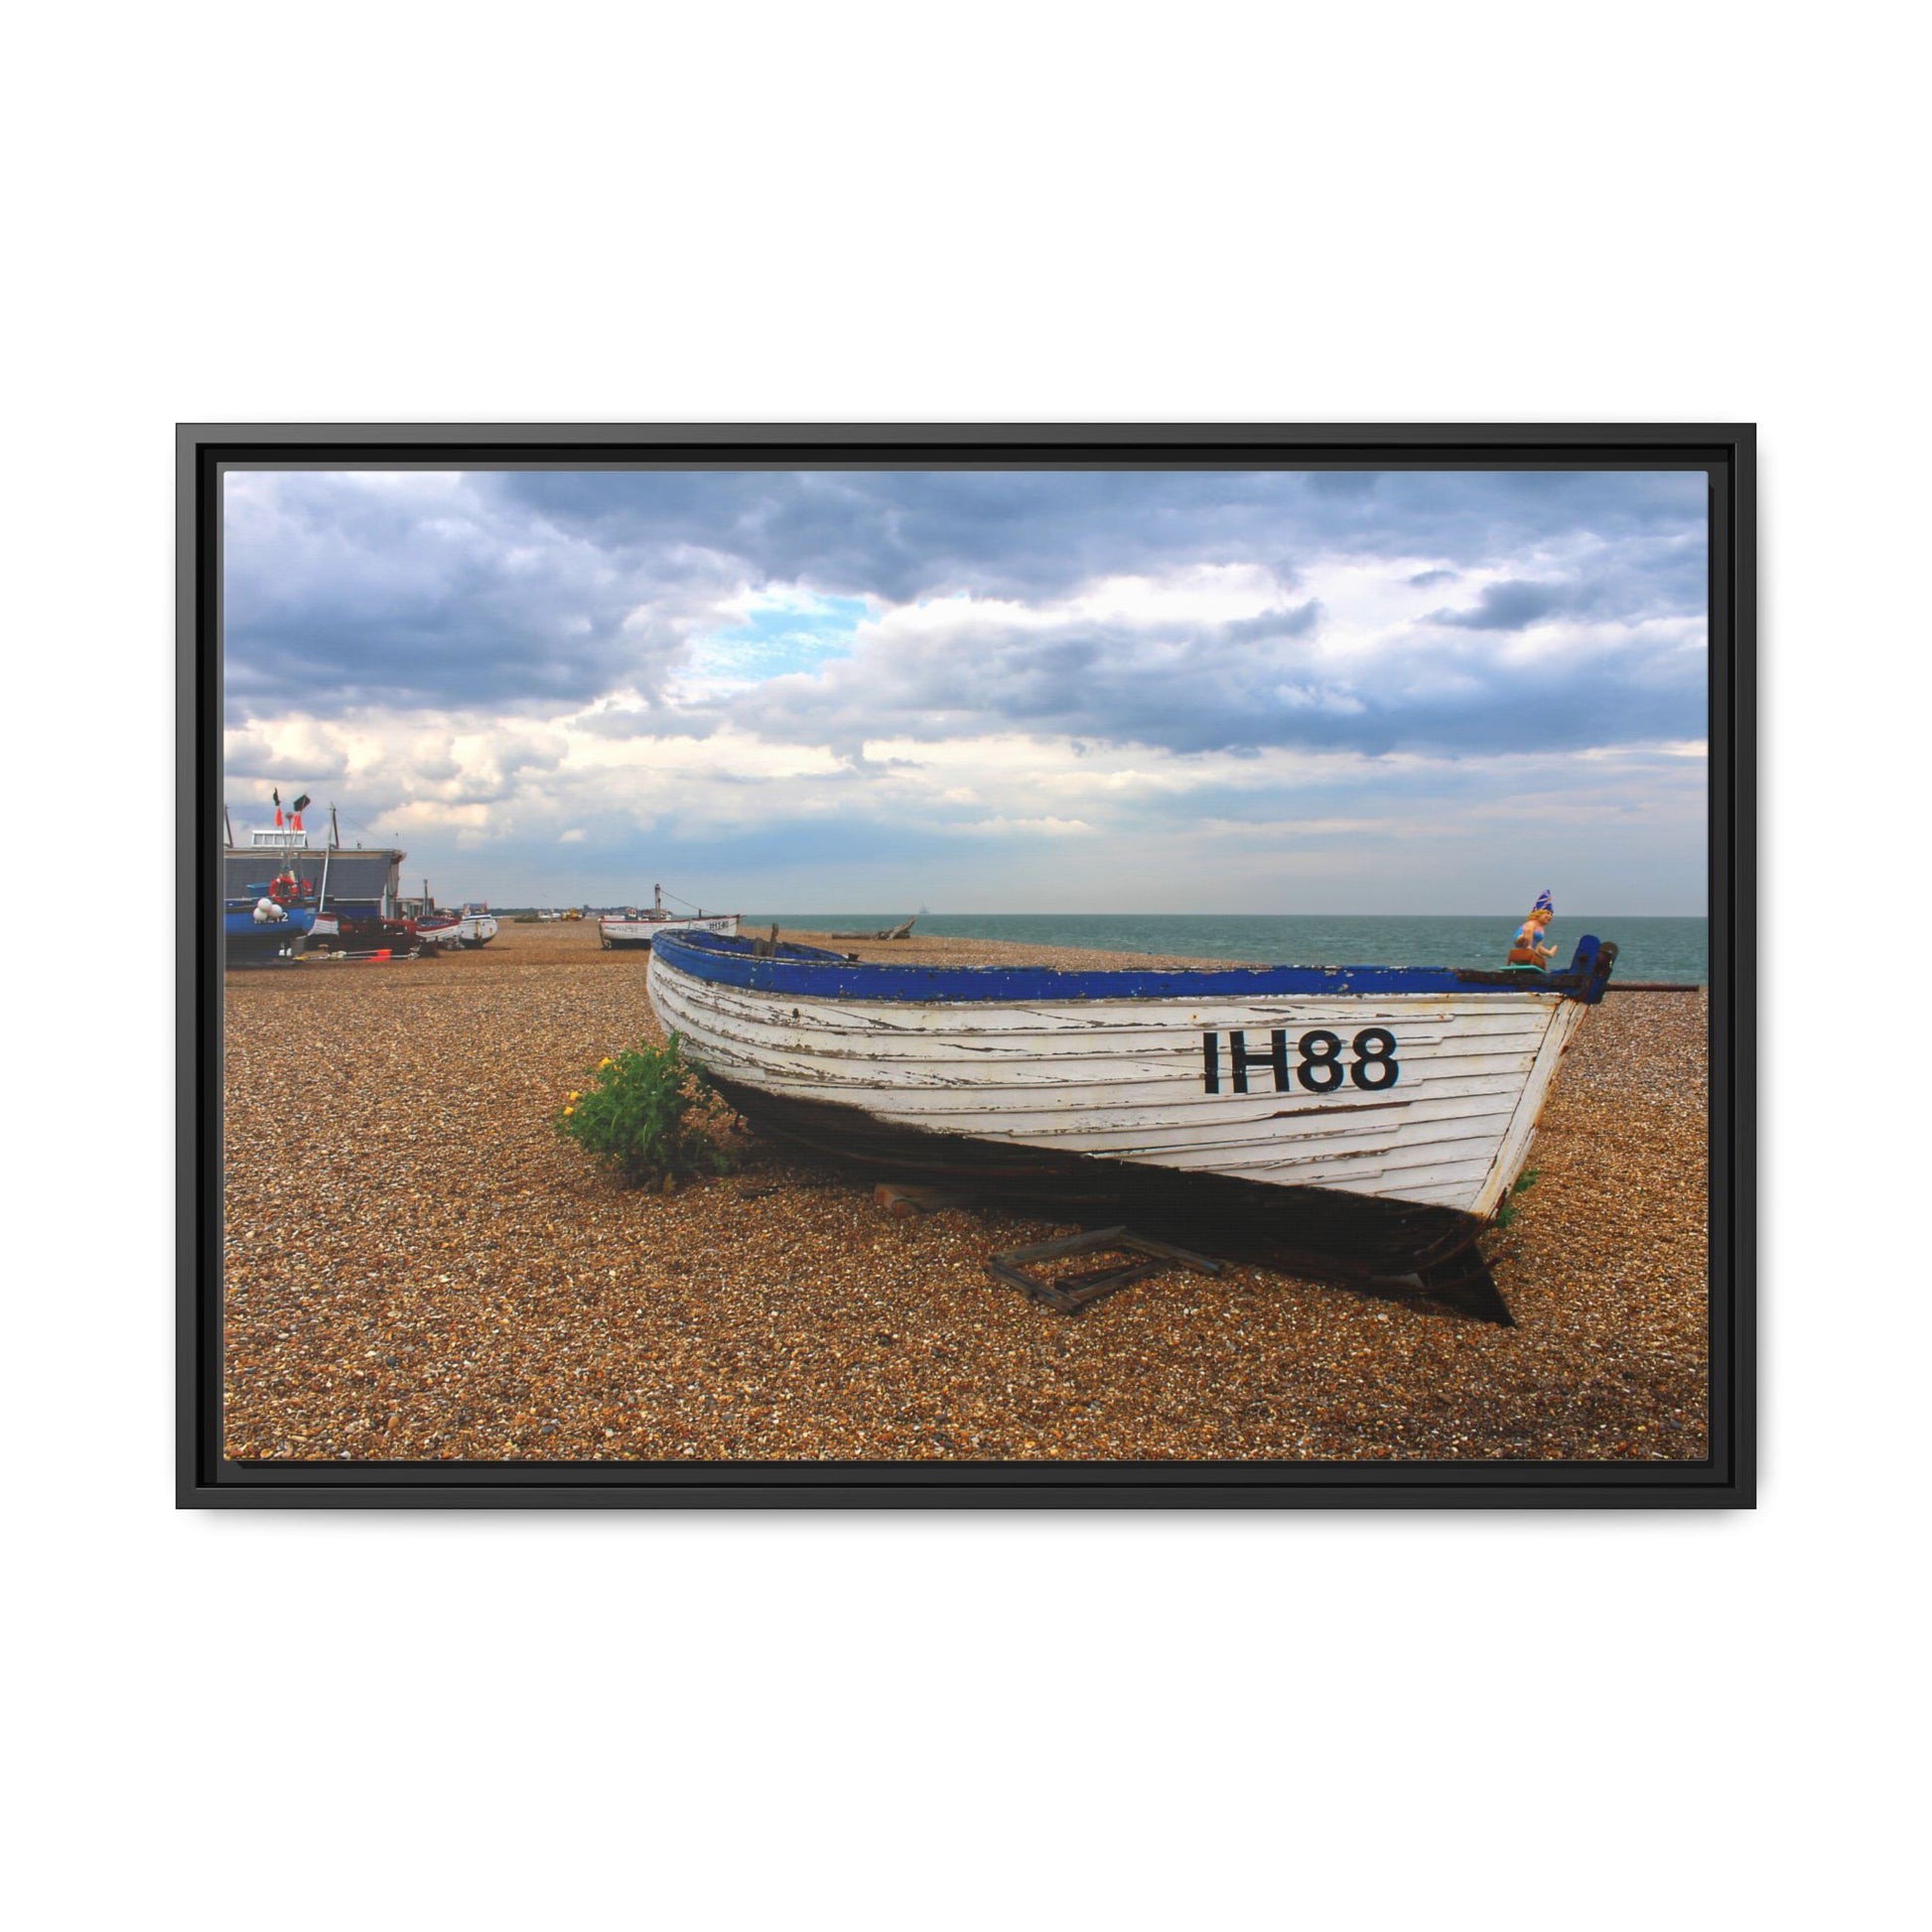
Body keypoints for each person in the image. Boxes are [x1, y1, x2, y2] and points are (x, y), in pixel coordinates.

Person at [1506, 891, 1557, 970]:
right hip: (1521, 940)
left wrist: (1536, 951)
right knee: (1527, 933)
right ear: (1539, 913)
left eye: (1551, 914)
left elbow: (1540, 942)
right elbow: (1529, 931)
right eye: (1547, 913)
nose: (1550, 916)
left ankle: (1549, 953)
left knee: (1539, 946)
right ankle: (1530, 945)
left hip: (1533, 944)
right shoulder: (1531, 923)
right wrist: (1529, 946)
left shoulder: (1542, 929)